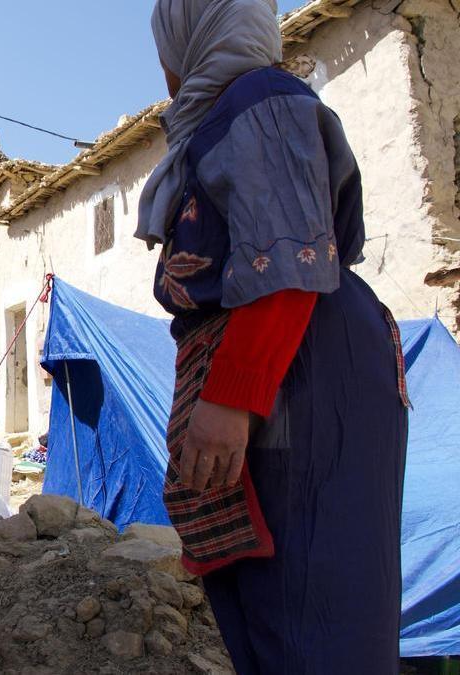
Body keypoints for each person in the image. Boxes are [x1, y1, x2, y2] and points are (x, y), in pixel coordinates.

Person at [137, 0, 410, 672]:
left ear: (198, 36)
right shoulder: (220, 123)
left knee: (313, 614)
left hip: (300, 368)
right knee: (270, 611)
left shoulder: (260, 98)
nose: (164, 67)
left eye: (165, 46)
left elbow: (288, 258)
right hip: (289, 367)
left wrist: (232, 395)